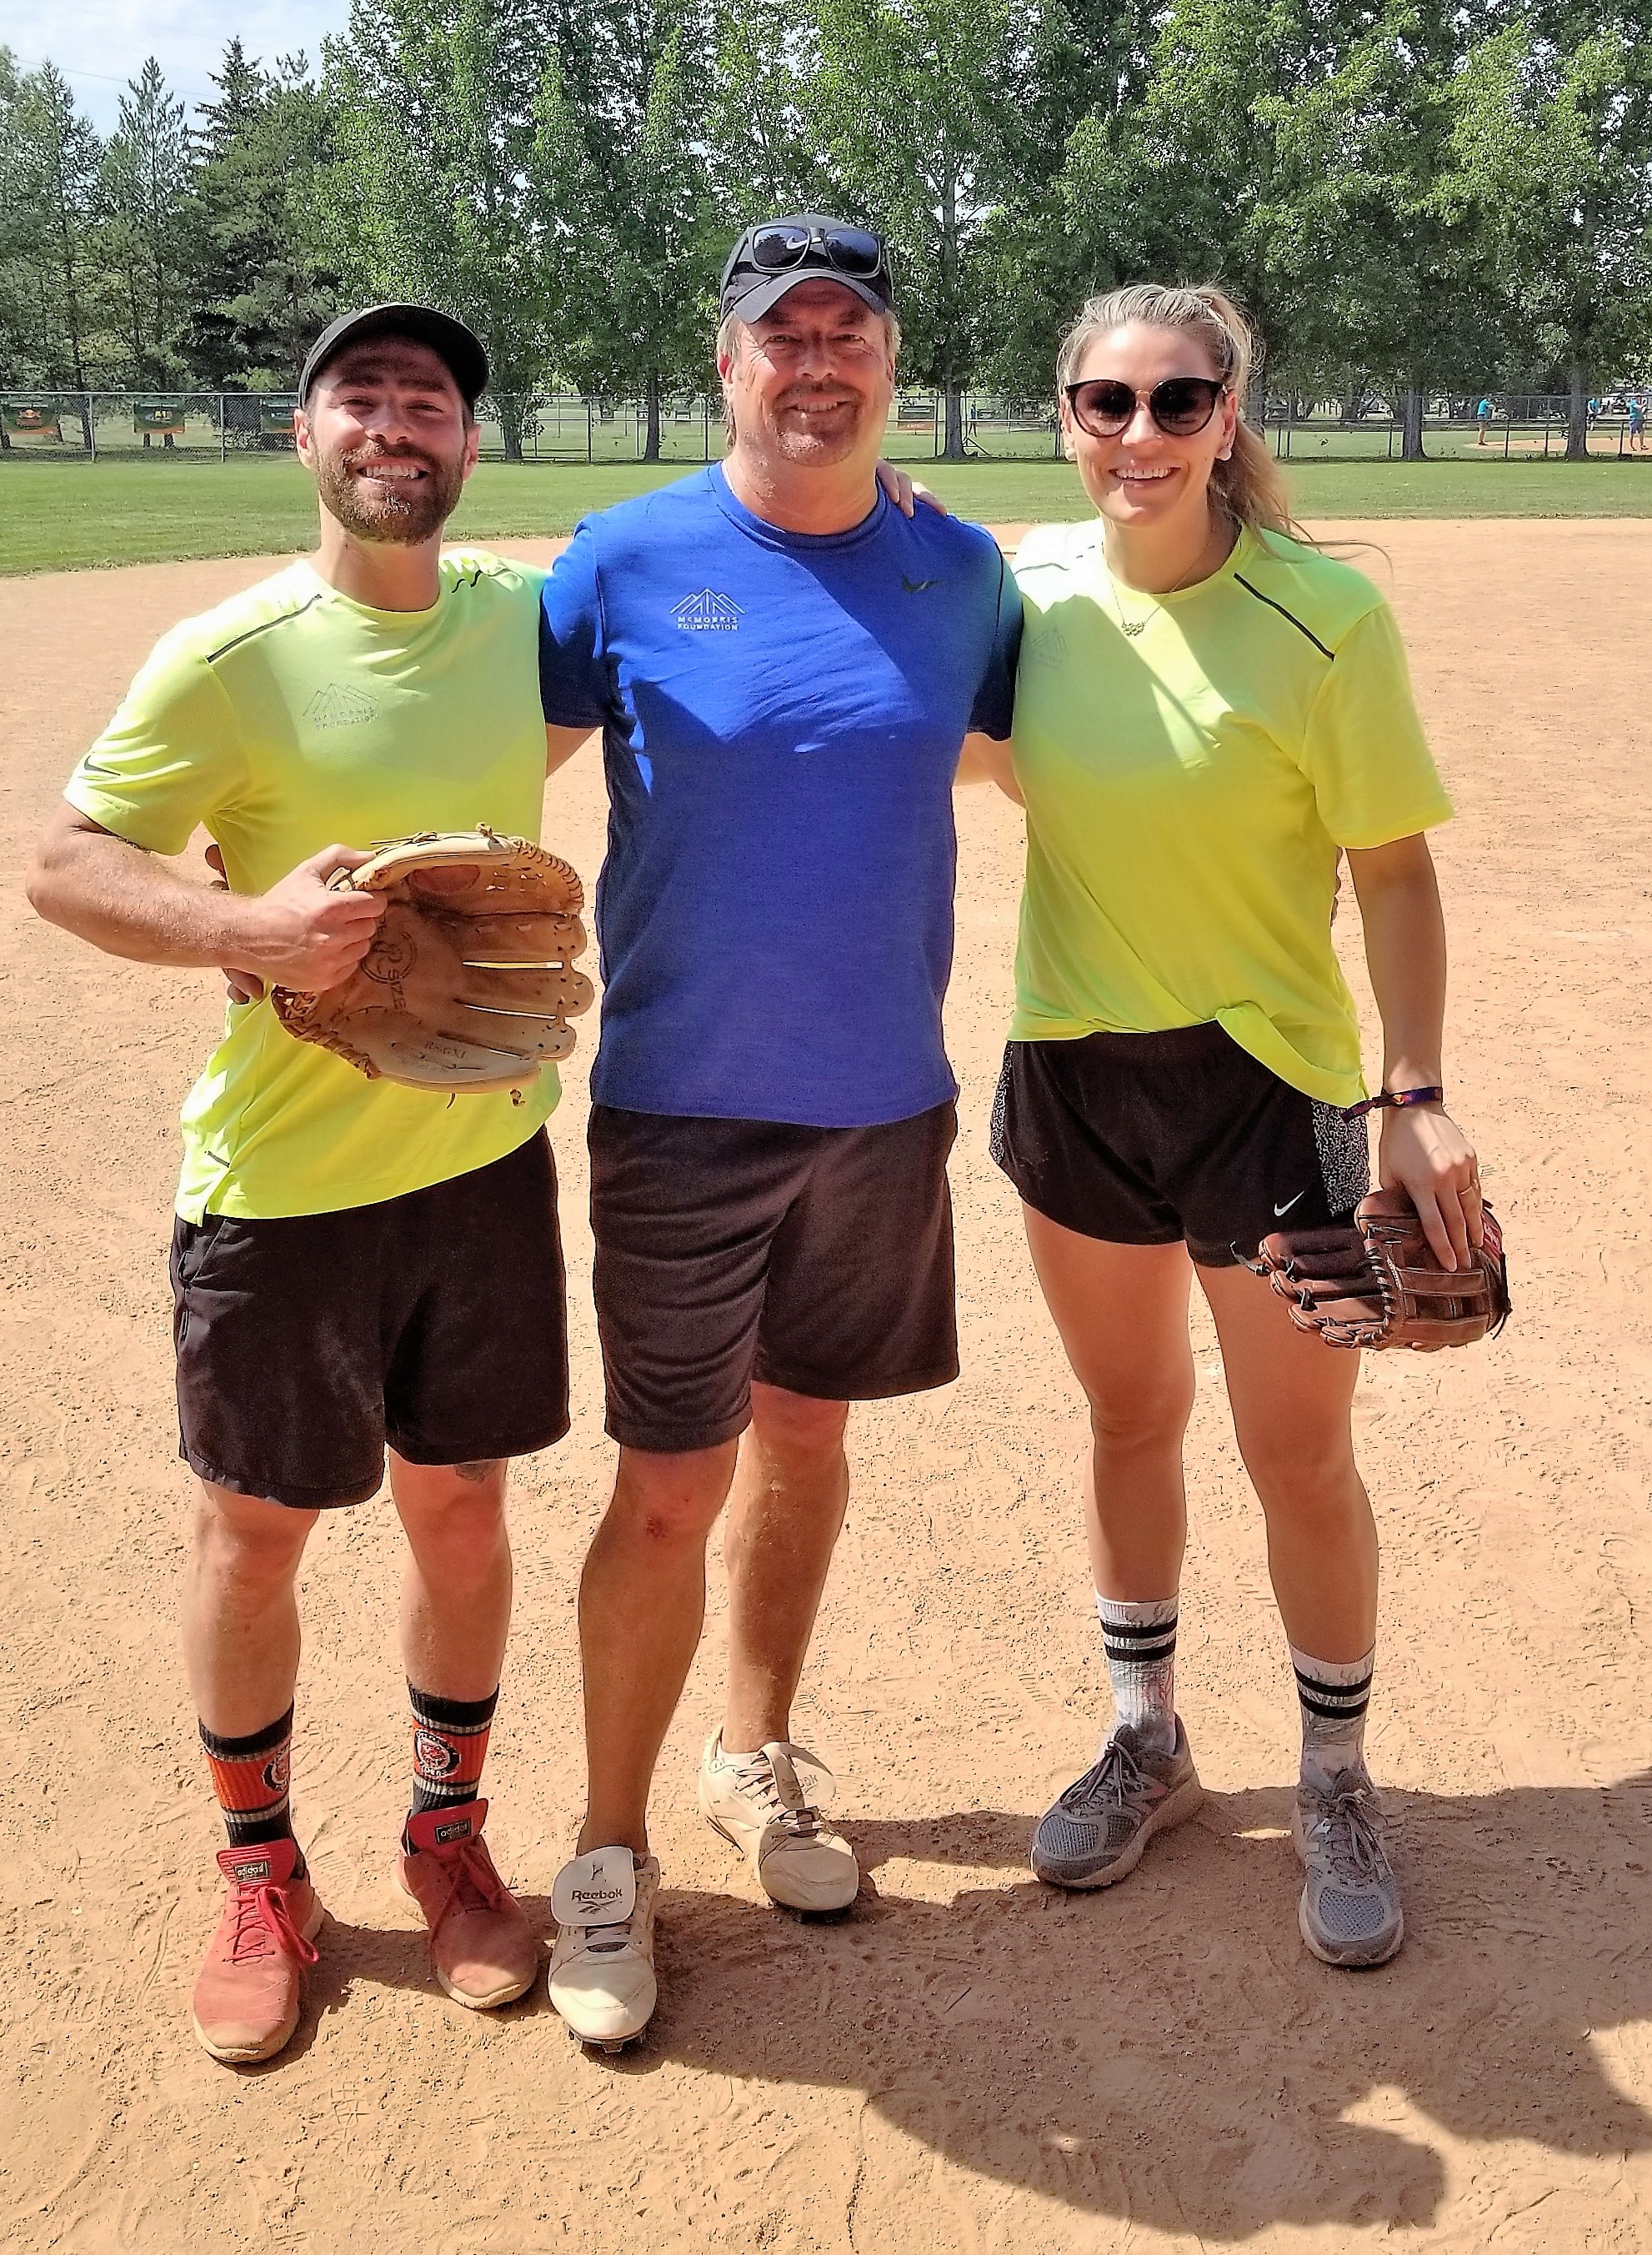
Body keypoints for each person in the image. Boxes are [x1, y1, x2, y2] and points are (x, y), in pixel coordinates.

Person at [27, 303, 578, 2063]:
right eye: (363, 393)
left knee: (464, 1506)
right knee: (253, 1530)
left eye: (429, 398)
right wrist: (241, 926)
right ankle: (261, 1868)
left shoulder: (517, 621)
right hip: (281, 1178)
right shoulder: (233, 652)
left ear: (468, 446)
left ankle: (445, 1829)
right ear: (306, 432)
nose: (396, 420)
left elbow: (678, 631)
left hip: (483, 1154)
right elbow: (63, 863)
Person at [533, 218, 1021, 2049]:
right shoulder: (622, 559)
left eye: (848, 329)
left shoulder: (961, 573)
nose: (814, 360)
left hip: (882, 1104)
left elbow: (1057, 755)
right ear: (723, 356)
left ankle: (754, 1757)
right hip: (677, 1110)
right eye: (779, 332)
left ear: (888, 357)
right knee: (671, 1481)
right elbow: (474, 763)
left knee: (807, 1445)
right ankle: (602, 1849)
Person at [984, 281, 1484, 1968]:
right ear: (1060, 414)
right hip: (1070, 1072)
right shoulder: (1020, 595)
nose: (1137, 435)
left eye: (1175, 400)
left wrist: (1407, 1096)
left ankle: (1334, 1769)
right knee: (1128, 1415)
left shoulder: (1323, 617)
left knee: (1294, 1452)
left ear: (1226, 414)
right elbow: (912, 717)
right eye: (1102, 402)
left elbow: (1393, 870)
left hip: (1267, 1091)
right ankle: (1149, 1739)